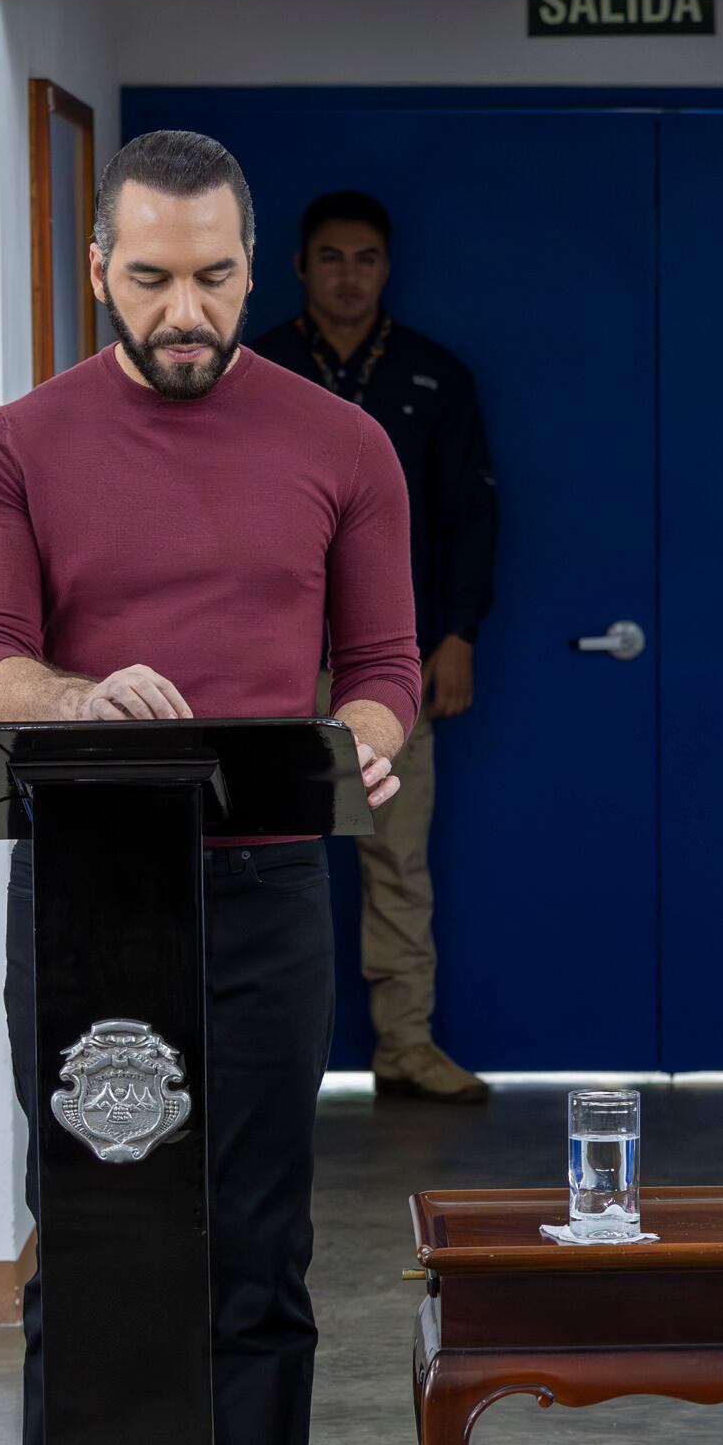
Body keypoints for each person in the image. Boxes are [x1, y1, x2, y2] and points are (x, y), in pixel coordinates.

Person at [0, 130, 421, 1445]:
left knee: (257, 1253)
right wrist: (83, 701)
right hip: (90, 894)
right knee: (86, 1247)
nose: (186, 311)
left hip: (270, 885)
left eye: (215, 277)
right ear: (98, 271)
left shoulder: (342, 443)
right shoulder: (15, 447)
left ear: (250, 260)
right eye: (151, 279)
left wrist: (366, 726)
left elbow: (385, 660)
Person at [253, 191, 499, 1105]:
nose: (347, 275)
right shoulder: (258, 369)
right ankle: (272, 1059)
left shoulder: (434, 376)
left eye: (364, 258)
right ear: (299, 266)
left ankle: (404, 1043)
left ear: (386, 268)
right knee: (267, 855)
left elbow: (469, 516)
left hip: (390, 660)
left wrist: (459, 634)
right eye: (330, 257)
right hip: (265, 663)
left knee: (397, 858)